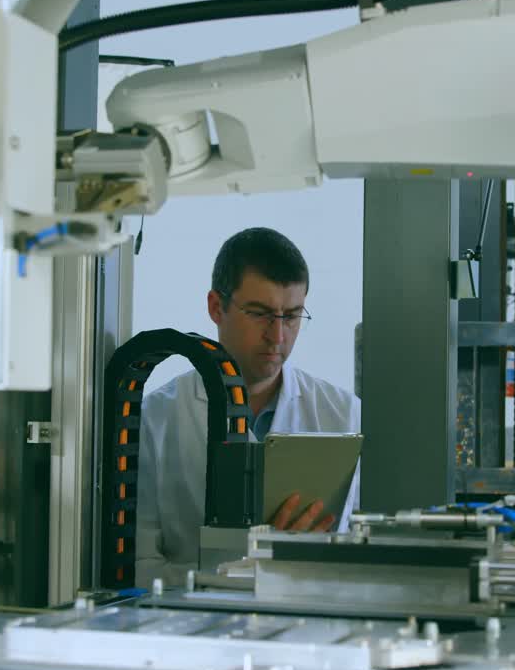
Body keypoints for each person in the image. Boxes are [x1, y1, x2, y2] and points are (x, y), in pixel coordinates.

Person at [135, 227, 361, 587]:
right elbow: (138, 569)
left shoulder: (343, 414)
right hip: (190, 629)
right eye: (259, 313)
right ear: (215, 307)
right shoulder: (154, 420)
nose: (278, 335)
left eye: (292, 315)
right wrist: (245, 566)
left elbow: (356, 556)